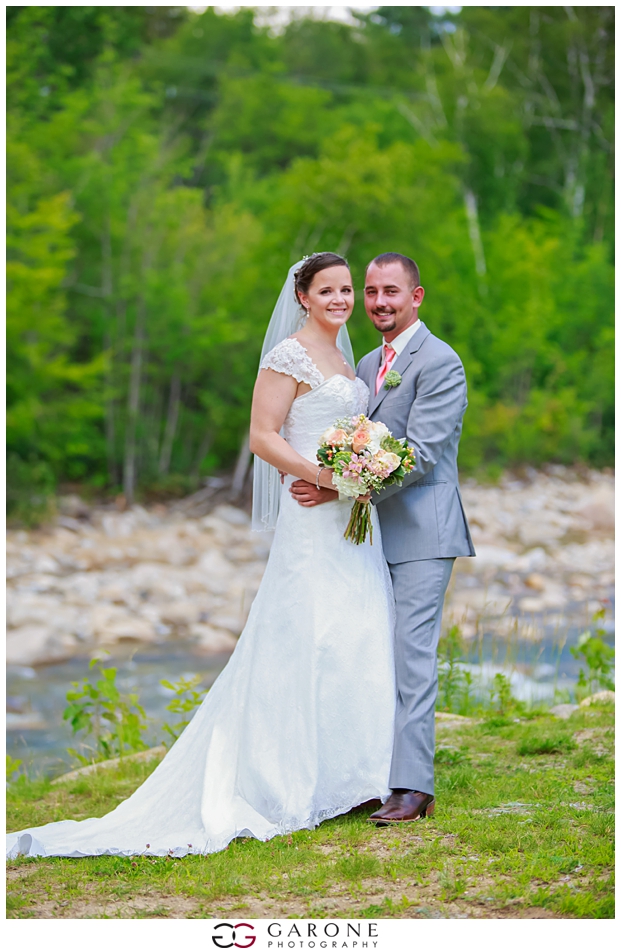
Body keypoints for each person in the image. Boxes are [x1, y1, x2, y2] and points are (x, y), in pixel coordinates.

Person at [6, 252, 397, 860]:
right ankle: (287, 781)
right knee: (307, 635)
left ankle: (352, 779)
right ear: (303, 297)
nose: (342, 300)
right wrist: (323, 473)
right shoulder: (288, 355)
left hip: (348, 515)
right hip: (309, 516)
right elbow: (262, 436)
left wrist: (355, 477)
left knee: (355, 633)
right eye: (329, 291)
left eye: (347, 290)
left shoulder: (348, 359)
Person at [290, 252, 475, 825]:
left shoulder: (440, 362)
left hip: (423, 532)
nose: (378, 303)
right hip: (366, 537)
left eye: (390, 292)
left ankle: (413, 787)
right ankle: (366, 773)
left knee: (410, 656)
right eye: (370, 293)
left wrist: (339, 489)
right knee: (366, 651)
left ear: (416, 297)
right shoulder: (366, 362)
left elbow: (420, 455)